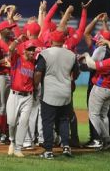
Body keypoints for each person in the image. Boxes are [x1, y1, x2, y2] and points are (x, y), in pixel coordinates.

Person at [35, 30, 80, 159]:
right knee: (64, 120)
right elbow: (76, 73)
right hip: (65, 92)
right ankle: (66, 146)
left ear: (51, 40)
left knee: (48, 122)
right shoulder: (71, 55)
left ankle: (48, 150)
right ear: (64, 41)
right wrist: (69, 80)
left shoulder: (45, 53)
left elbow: (38, 73)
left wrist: (35, 85)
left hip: (49, 93)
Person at [6, 40, 37, 157]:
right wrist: (18, 40)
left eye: (33, 50)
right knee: (12, 122)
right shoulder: (17, 59)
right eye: (30, 49)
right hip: (14, 95)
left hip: (28, 96)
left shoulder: (34, 62)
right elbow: (10, 49)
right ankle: (12, 142)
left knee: (23, 122)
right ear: (24, 50)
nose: (32, 52)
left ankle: (18, 148)